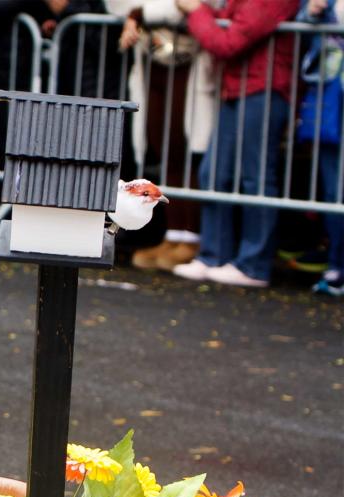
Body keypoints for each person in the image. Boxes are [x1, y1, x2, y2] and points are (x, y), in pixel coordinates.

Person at [173, 0, 300, 287]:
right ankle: (214, 255)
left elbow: (229, 41)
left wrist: (196, 12)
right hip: (241, 85)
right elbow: (226, 26)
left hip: (263, 88)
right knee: (214, 173)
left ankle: (253, 264)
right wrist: (206, 16)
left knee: (256, 177)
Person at [106, 0, 217, 270]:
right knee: (163, 148)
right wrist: (135, 14)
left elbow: (187, 5)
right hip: (153, 57)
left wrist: (139, 13)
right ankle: (173, 234)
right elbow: (117, 5)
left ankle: (190, 238)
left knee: (185, 149)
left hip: (191, 61)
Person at [302, 0, 344, 296]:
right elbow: (303, 17)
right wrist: (312, 11)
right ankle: (337, 264)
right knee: (333, 191)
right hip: (331, 96)